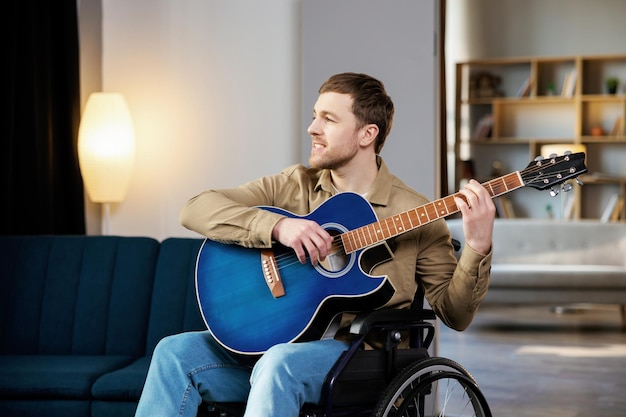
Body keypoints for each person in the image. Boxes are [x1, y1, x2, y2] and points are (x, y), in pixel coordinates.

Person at [135, 72, 495, 417]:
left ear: (367, 134)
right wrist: (278, 226)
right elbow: (196, 208)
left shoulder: (416, 211)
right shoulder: (294, 185)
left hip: (359, 358)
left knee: (279, 363)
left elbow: (456, 313)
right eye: (313, 116)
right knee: (174, 352)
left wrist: (478, 243)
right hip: (277, 349)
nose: (312, 128)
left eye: (328, 119)